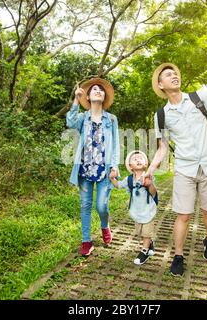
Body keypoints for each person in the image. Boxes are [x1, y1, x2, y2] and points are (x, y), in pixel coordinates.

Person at [144, 43, 207, 276]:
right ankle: (178, 256)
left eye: (175, 72)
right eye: (168, 74)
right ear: (160, 85)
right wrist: (151, 168)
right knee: (183, 215)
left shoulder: (200, 98)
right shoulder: (161, 115)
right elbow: (162, 148)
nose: (174, 75)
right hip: (185, 169)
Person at [66, 78, 120, 257]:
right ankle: (86, 241)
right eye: (94, 89)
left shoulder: (111, 119)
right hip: (84, 169)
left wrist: (114, 166)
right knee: (85, 205)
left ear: (104, 96)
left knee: (101, 206)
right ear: (88, 96)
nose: (98, 91)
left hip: (104, 171)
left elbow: (116, 144)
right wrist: (75, 99)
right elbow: (70, 123)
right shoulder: (83, 118)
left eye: (101, 90)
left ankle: (105, 226)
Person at [110, 150, 158, 265]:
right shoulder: (129, 180)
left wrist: (149, 184)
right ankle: (150, 243)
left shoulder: (149, 177)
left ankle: (144, 251)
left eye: (141, 158)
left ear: (146, 164)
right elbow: (119, 185)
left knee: (146, 232)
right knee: (140, 232)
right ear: (130, 166)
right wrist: (112, 178)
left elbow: (153, 193)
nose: (138, 159)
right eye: (135, 159)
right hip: (136, 211)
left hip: (148, 209)